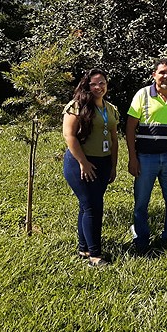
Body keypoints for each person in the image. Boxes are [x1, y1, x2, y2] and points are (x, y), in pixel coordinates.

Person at [126, 59, 167, 253]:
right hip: (145, 157)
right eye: (162, 72)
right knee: (141, 202)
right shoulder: (143, 95)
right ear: (154, 75)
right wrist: (132, 157)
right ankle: (141, 238)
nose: (166, 76)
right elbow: (130, 127)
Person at [62, 69, 119, 267]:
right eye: (94, 84)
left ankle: (84, 248)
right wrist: (83, 163)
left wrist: (113, 165)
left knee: (87, 206)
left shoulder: (110, 108)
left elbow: (113, 138)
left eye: (102, 83)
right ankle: (95, 256)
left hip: (103, 163)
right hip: (80, 163)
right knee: (93, 207)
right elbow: (69, 136)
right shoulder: (77, 106)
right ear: (87, 86)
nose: (98, 87)